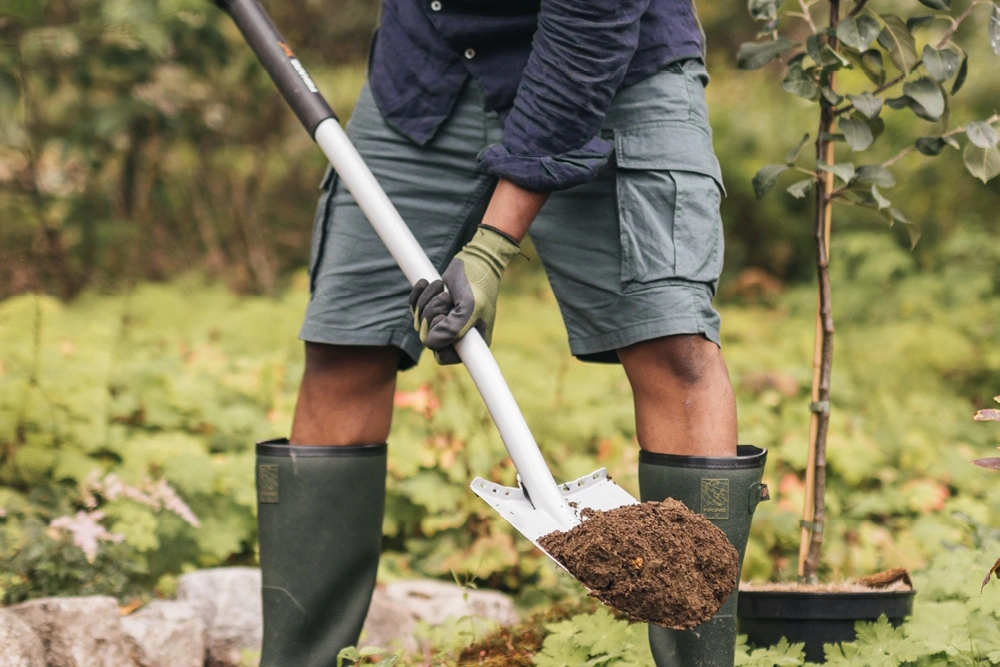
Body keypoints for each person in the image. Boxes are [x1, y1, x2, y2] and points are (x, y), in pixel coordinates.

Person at [254, 1, 768, 665]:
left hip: (613, 72)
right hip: (429, 77)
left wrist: (492, 246)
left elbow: (591, 27)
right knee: (347, 342)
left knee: (672, 346)